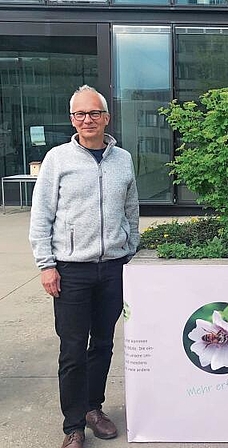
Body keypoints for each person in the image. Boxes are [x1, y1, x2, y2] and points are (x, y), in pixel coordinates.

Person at [29, 85, 140, 448]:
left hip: (112, 268)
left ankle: (94, 408)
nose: (87, 120)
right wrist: (47, 265)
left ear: (106, 117)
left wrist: (129, 245)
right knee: (73, 349)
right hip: (71, 270)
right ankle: (73, 426)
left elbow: (131, 208)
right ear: (72, 119)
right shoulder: (58, 159)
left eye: (94, 113)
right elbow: (41, 215)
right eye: (80, 114)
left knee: (104, 343)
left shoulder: (122, 159)